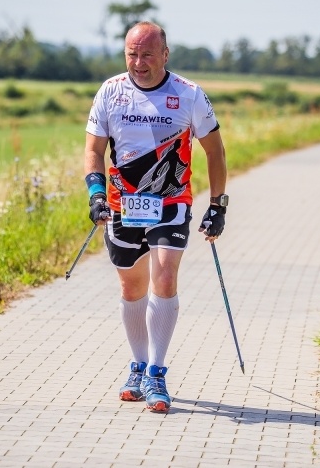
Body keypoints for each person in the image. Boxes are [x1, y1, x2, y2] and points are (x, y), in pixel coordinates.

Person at [83, 21, 228, 413]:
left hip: (171, 201)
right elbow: (94, 150)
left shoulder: (189, 95)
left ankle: (157, 373)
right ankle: (138, 364)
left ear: (165, 54)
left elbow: (215, 151)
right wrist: (96, 195)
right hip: (122, 204)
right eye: (132, 53)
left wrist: (218, 205)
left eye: (148, 54)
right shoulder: (110, 92)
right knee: (132, 288)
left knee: (164, 276)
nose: (139, 62)